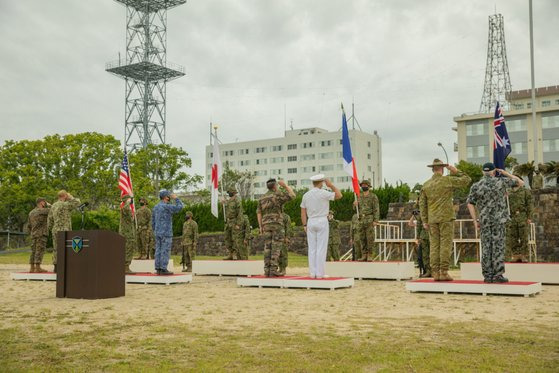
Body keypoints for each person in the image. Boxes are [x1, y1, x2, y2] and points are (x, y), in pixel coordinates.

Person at [467, 163, 524, 283]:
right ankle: (498, 275)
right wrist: (505, 173)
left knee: (486, 248)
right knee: (498, 247)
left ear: (483, 172)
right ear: (494, 171)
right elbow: (520, 183)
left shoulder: (476, 186)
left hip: (484, 221)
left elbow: (470, 203)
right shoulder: (501, 182)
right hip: (499, 221)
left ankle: (487, 275)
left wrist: (474, 220)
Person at [420, 159, 470, 281]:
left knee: (434, 246)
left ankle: (435, 272)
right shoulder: (447, 180)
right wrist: (456, 170)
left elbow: (422, 204)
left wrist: (425, 220)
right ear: (442, 169)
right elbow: (467, 180)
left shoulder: (426, 185)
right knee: (445, 245)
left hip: (432, 219)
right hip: (446, 218)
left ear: (432, 169)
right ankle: (443, 272)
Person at [301, 174, 342, 278]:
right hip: (322, 220)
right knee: (321, 248)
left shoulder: (306, 195)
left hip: (310, 221)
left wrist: (304, 224)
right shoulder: (324, 193)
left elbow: (303, 211)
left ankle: (312, 273)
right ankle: (320, 273)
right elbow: (339, 195)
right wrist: (331, 185)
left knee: (312, 248)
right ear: (322, 182)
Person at [257, 179, 295, 277]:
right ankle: (273, 269)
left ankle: (267, 270)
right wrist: (285, 186)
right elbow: (292, 196)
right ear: (275, 187)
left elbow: (259, 212)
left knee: (267, 248)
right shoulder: (278, 195)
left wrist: (260, 226)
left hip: (266, 224)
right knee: (276, 247)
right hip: (277, 224)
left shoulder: (262, 198)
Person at [47, 190, 81, 273]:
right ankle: (65, 267)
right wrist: (71, 197)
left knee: (56, 248)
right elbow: (77, 202)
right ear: (65, 196)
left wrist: (50, 228)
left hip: (55, 230)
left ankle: (56, 267)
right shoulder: (66, 205)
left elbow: (50, 220)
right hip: (65, 230)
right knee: (66, 249)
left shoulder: (54, 206)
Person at [152, 190, 184, 275]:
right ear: (166, 197)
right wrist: (176, 198)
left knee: (158, 250)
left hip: (157, 232)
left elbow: (153, 222)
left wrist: (155, 230)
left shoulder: (155, 207)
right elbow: (180, 207)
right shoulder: (166, 206)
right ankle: (163, 268)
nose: (169, 197)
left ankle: (158, 268)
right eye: (168, 196)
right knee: (165, 250)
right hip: (166, 232)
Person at [506, 179, 534, 262]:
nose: (514, 182)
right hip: (512, 217)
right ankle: (515, 255)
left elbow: (530, 204)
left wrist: (529, 217)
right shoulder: (508, 191)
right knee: (512, 237)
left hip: (522, 216)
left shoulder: (525, 191)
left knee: (524, 236)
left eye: (516, 180)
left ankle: (523, 256)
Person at [354, 180, 379, 262]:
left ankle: (370, 255)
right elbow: (356, 209)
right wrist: (354, 205)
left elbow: (376, 209)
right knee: (362, 238)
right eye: (362, 185)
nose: (363, 186)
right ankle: (364, 254)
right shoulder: (359, 196)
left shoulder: (373, 196)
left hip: (369, 219)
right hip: (361, 220)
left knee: (370, 238)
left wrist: (376, 220)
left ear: (368, 186)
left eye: (365, 185)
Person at [26, 197, 51, 273]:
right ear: (41, 203)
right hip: (41, 233)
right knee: (40, 250)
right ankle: (38, 267)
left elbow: (29, 225)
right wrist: (49, 205)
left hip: (33, 234)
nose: (45, 203)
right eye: (44, 202)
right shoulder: (44, 211)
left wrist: (32, 232)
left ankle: (32, 267)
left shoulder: (31, 212)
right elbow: (54, 210)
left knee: (33, 250)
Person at [409, 195, 431, 277]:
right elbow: (418, 225)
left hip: (430, 234)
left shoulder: (429, 208)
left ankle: (432, 271)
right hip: (423, 236)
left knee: (431, 254)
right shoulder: (418, 210)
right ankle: (427, 271)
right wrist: (418, 237)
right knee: (423, 255)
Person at [223, 187, 244, 260]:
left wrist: (238, 224)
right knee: (227, 237)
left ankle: (235, 253)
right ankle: (230, 253)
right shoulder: (229, 201)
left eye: (230, 192)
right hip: (228, 222)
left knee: (234, 238)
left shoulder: (237, 200)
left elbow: (240, 212)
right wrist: (224, 203)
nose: (229, 193)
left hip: (234, 221)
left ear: (234, 192)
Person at [119, 194, 137, 274]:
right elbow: (125, 208)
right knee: (128, 249)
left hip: (128, 232)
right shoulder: (125, 208)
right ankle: (126, 267)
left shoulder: (127, 208)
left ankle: (125, 266)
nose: (131, 200)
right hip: (127, 233)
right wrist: (128, 202)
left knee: (128, 249)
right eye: (130, 199)